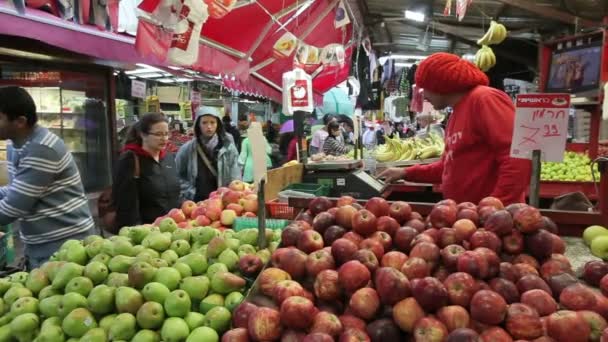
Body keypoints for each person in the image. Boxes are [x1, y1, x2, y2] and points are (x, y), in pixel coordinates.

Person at [379, 52, 532, 205]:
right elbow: (448, 168)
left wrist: (496, 206)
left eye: (425, 88)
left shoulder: (484, 99)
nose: (424, 96)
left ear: (440, 84)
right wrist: (405, 172)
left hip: (491, 219)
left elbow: (517, 157)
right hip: (466, 218)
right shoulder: (456, 112)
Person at [0, 86, 94, 268]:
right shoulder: (16, 145)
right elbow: (16, 190)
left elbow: (12, 208)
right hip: (41, 244)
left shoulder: (41, 149)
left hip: (66, 246)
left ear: (20, 121)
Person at [113, 113, 180, 229]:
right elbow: (125, 206)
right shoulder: (130, 160)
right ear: (143, 135)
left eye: (166, 134)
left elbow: (175, 193)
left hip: (172, 229)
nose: (164, 139)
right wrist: (136, 232)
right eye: (158, 134)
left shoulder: (168, 158)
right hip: (146, 231)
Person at [176, 106, 241, 202]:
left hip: (222, 202)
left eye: (212, 122)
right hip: (196, 203)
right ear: (198, 124)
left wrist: (231, 196)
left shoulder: (228, 148)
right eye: (204, 122)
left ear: (218, 124)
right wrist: (191, 193)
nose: (209, 126)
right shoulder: (187, 149)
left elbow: (235, 175)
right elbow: (177, 175)